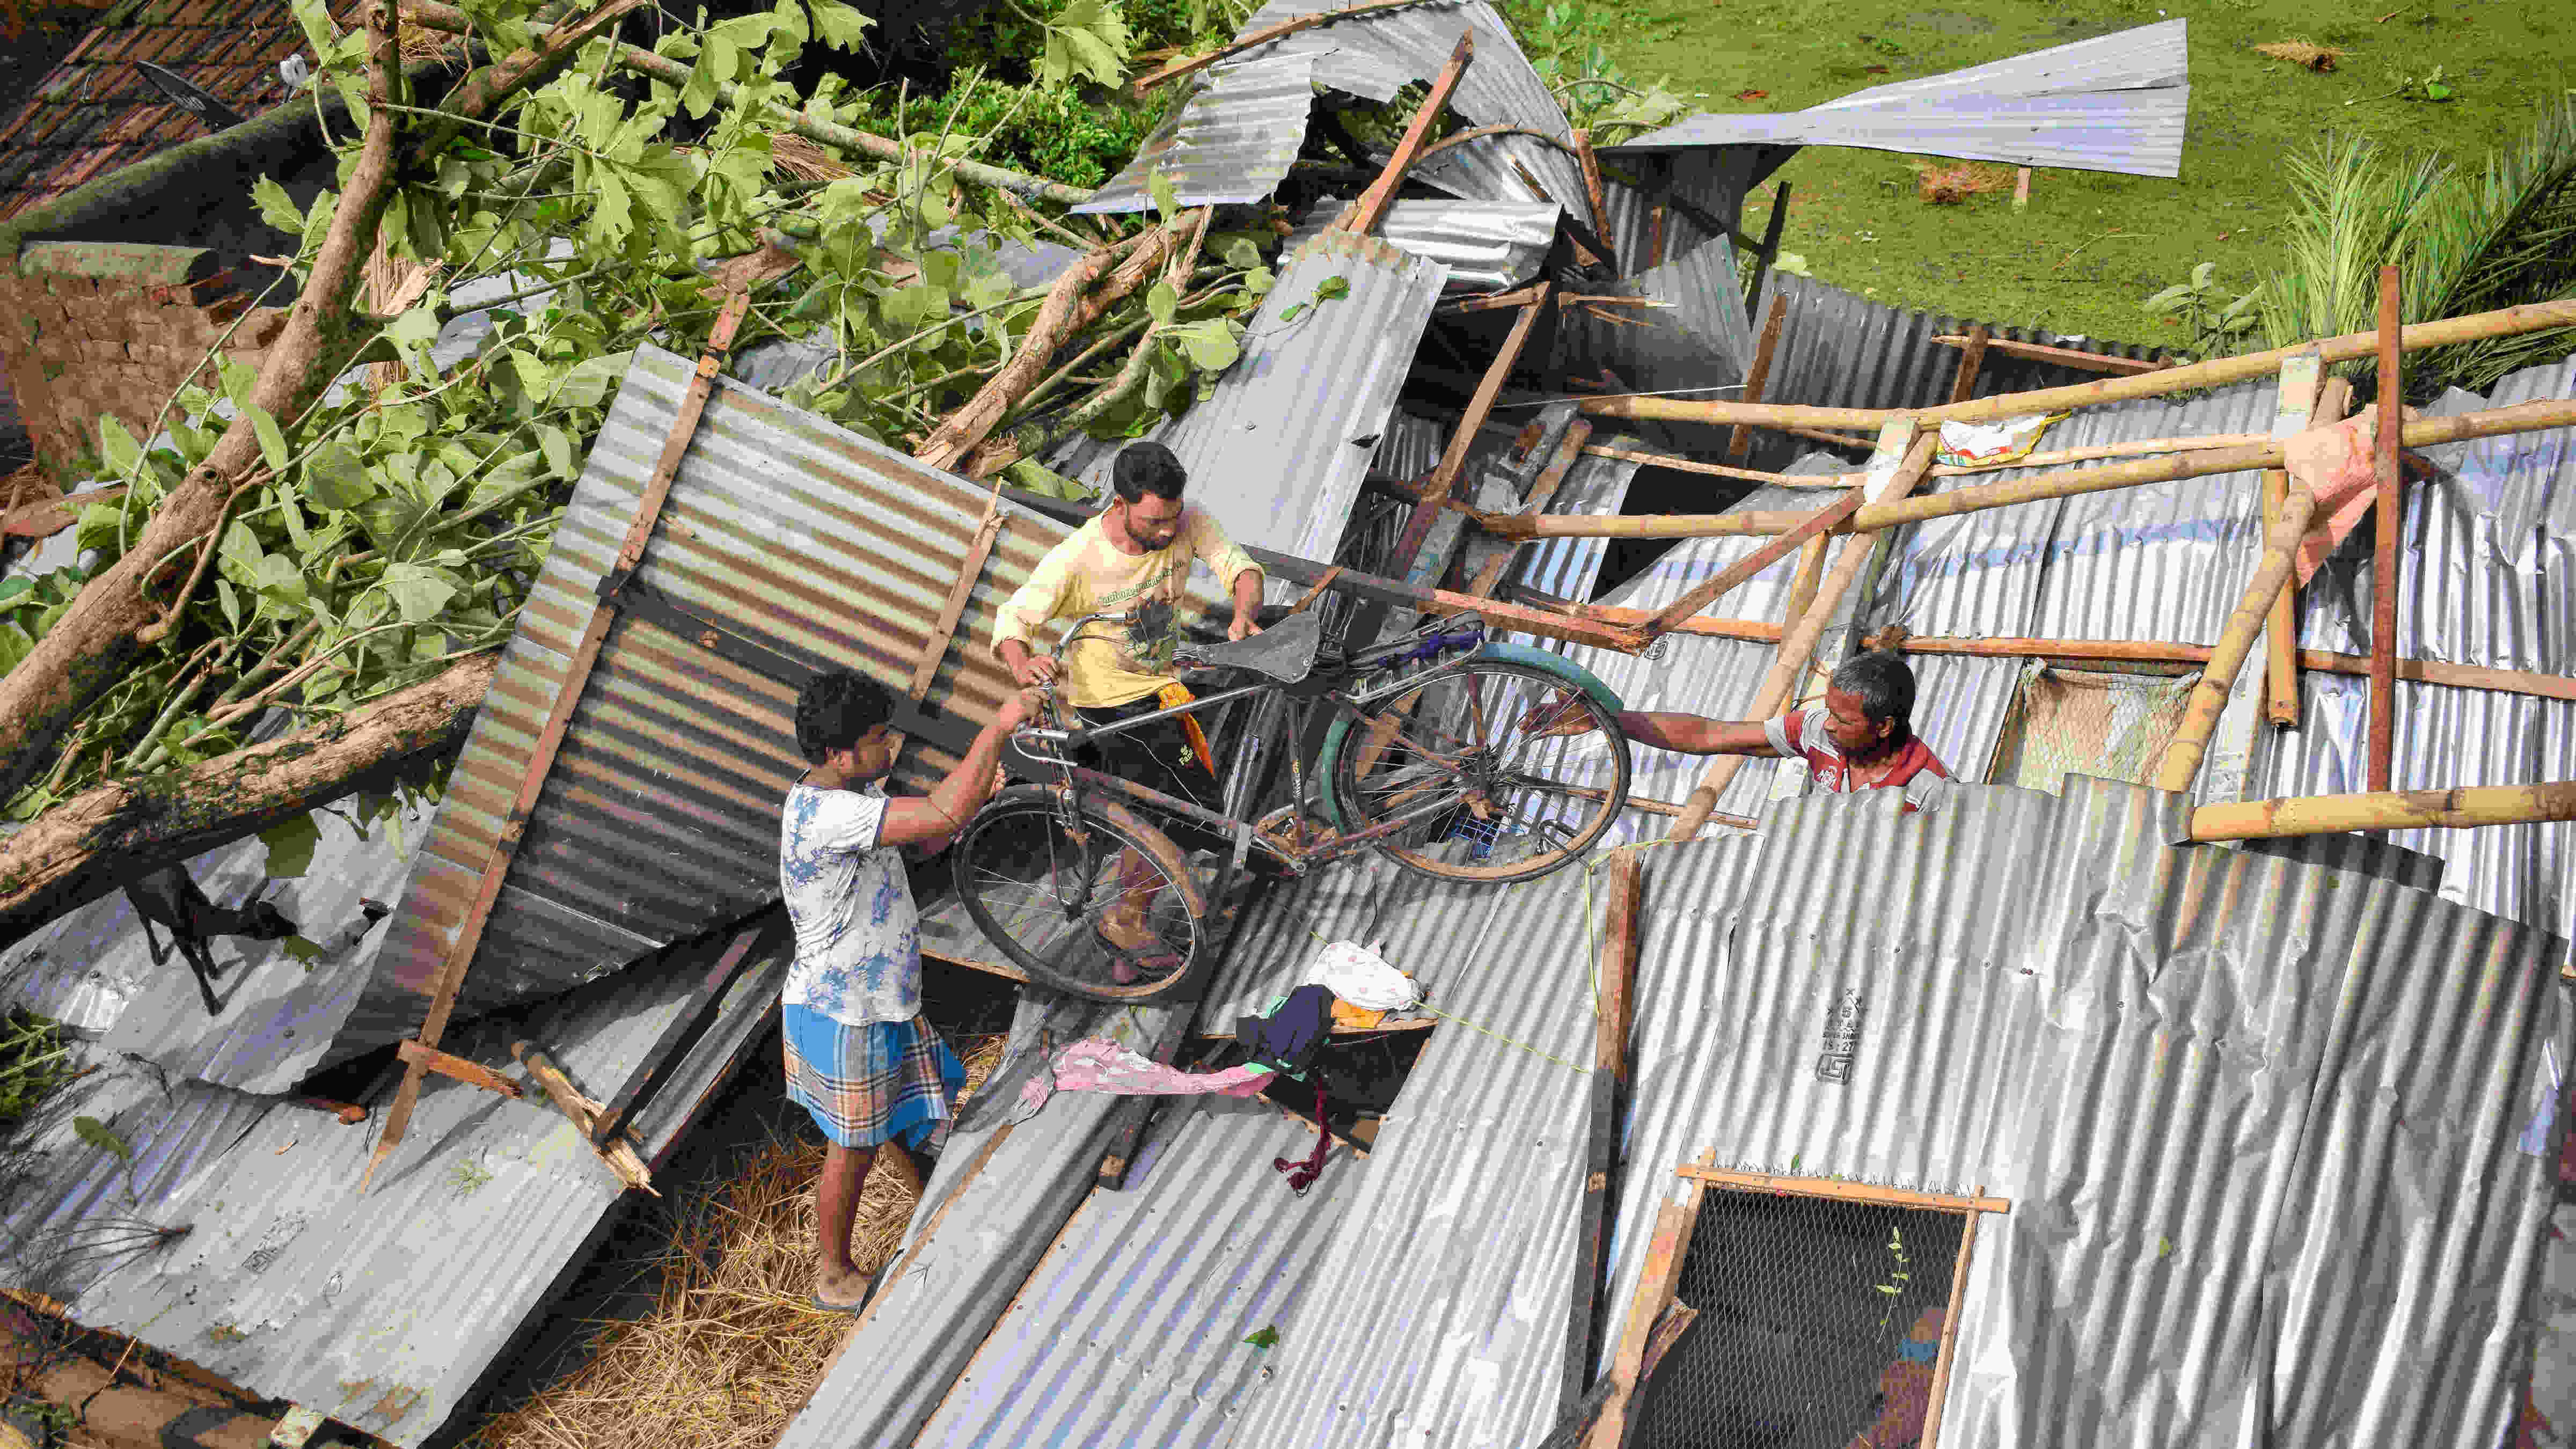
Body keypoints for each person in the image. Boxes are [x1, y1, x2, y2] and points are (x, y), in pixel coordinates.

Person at [780, 667, 1036, 1312]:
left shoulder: (850, 796)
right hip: (846, 1013)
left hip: (881, 1000)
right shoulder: (827, 814)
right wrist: (998, 730)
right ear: (838, 754)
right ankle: (832, 1274)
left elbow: (930, 832)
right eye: (875, 739)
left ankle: (933, 1211)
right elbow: (942, 810)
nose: (888, 749)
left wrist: (969, 800)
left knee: (906, 1119)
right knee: (856, 1144)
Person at [991, 440, 1265, 973]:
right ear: (1119, 505)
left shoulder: (1187, 520)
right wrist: (1022, 666)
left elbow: (1240, 568)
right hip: (1111, 711)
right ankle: (1125, 921)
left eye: (1172, 518)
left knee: (1185, 813)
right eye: (1154, 521)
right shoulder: (1078, 558)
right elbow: (1013, 620)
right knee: (1162, 817)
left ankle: (1127, 934)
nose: (1167, 532)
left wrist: (1244, 615)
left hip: (1162, 695)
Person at [1531, 650, 1950, 813]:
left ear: (1884, 727)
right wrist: (1606, 720)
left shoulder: (1928, 791)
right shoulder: (1817, 733)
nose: (1828, 723)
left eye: (1843, 721)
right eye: (1828, 710)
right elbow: (1707, 736)